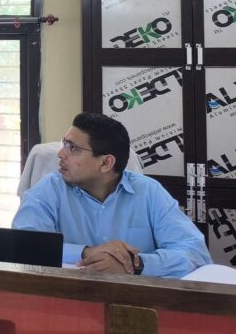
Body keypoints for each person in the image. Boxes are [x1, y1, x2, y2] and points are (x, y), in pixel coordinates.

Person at [12, 112, 210, 278]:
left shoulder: (148, 192)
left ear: (106, 163)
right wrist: (86, 253)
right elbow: (23, 246)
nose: (61, 154)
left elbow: (196, 254)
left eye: (73, 148)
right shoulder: (49, 189)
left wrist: (134, 264)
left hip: (137, 299)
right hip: (69, 298)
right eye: (65, 144)